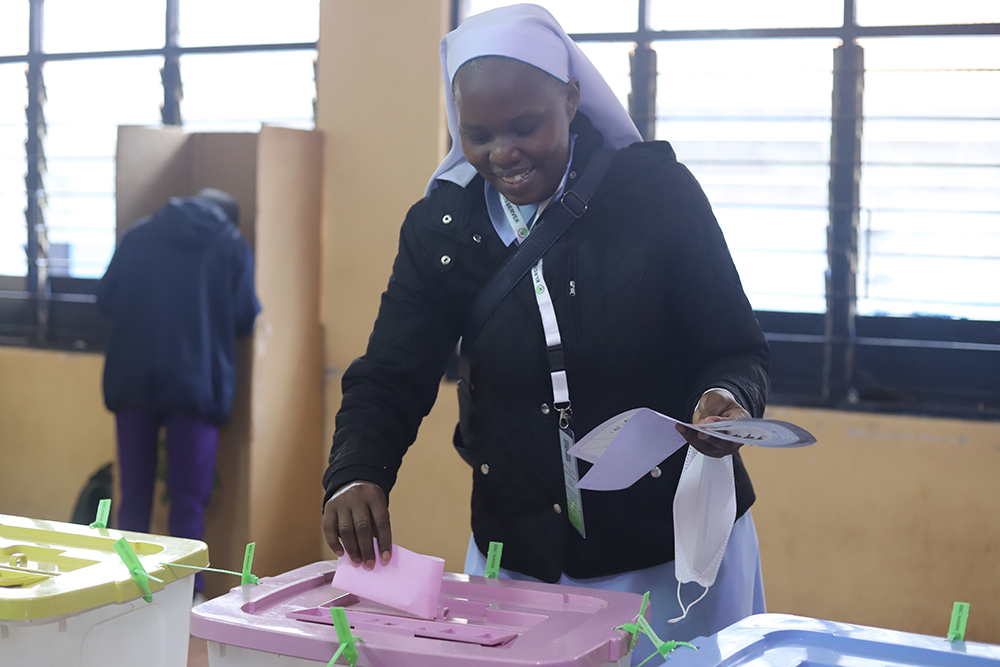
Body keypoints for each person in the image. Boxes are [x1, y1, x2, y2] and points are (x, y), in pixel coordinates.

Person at [322, 4, 768, 657]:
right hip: (521, 559)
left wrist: (729, 399)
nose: (503, 153)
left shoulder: (656, 195)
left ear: (571, 98)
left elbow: (735, 347)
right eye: (476, 134)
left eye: (524, 126)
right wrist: (356, 472)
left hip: (669, 555)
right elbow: (392, 372)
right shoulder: (443, 229)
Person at [97, 188, 259, 596]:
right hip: (197, 384)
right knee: (188, 498)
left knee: (133, 494)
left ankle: (127, 590)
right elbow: (244, 316)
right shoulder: (230, 244)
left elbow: (105, 297)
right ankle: (189, 591)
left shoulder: (138, 234)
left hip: (133, 379)